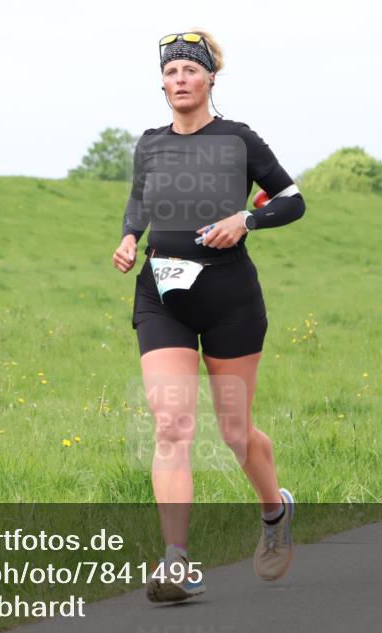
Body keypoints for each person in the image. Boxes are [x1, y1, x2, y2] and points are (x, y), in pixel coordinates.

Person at [111, 30, 306, 603]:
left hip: (229, 297)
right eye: (170, 72)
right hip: (161, 295)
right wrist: (128, 239)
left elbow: (292, 199)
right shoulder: (150, 143)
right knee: (171, 423)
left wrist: (247, 219)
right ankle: (175, 561)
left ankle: (274, 512)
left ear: (210, 78)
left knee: (234, 431)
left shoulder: (239, 140)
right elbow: (139, 203)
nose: (179, 80)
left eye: (189, 71)